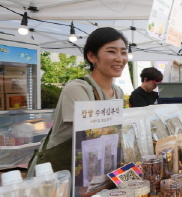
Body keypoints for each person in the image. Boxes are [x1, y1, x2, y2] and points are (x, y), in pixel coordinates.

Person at [27, 27, 128, 177]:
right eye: (111, 51)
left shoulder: (117, 91)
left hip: (92, 169)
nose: (120, 58)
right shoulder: (77, 88)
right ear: (92, 56)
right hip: (57, 172)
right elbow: (89, 136)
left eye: (123, 52)